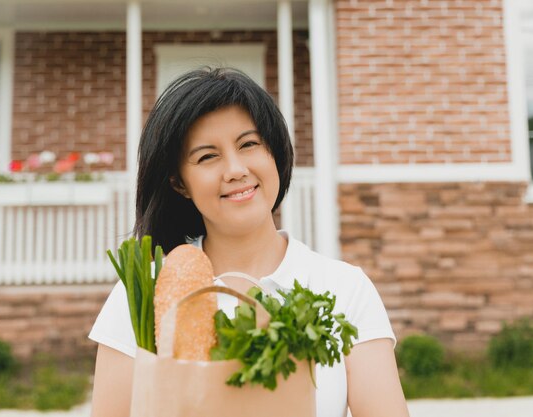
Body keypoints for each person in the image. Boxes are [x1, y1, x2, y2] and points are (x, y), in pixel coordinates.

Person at [88, 67, 410, 417]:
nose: (236, 169)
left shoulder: (345, 289)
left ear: (275, 153)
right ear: (179, 183)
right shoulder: (143, 292)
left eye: (249, 144)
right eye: (208, 156)